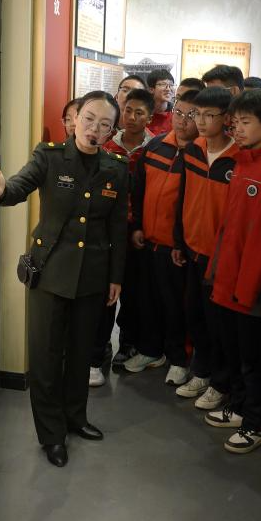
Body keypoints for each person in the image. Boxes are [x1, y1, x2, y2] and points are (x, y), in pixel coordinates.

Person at [0, 91, 128, 468]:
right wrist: (2, 191)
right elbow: (20, 186)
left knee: (80, 354)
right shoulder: (49, 156)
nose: (94, 129)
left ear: (112, 131)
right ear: (75, 119)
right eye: (89, 119)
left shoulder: (116, 167)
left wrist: (116, 276)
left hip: (92, 276)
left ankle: (76, 418)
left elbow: (117, 226)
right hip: (49, 273)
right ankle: (51, 434)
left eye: (104, 124)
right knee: (46, 357)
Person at [206, 89, 261, 454]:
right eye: (235, 122)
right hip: (229, 276)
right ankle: (241, 406)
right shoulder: (243, 159)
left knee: (255, 360)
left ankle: (256, 422)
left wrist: (246, 286)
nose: (237, 129)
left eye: (245, 122)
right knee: (235, 353)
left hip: (253, 287)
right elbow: (231, 225)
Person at [126, 90, 200, 384]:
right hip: (148, 240)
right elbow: (139, 190)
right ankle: (150, 350)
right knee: (147, 301)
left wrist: (181, 243)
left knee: (175, 306)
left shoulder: (200, 154)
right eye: (178, 113)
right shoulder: (156, 146)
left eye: (191, 115)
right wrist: (137, 226)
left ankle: (179, 359)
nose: (182, 121)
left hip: (177, 248)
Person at [172, 86, 237, 407]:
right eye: (197, 114)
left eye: (209, 115)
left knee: (219, 324)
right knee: (194, 314)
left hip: (220, 257)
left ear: (227, 118)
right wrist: (178, 240)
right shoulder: (193, 150)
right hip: (192, 249)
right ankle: (201, 371)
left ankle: (220, 383)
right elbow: (182, 196)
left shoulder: (238, 158)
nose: (200, 121)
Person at [102, 88, 156, 371]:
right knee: (107, 290)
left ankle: (128, 343)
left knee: (134, 292)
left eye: (139, 113)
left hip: (139, 231)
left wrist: (140, 225)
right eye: (128, 111)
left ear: (150, 117)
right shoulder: (107, 146)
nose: (132, 117)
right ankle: (102, 344)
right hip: (110, 230)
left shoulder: (155, 148)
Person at [146, 69, 175, 136]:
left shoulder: (175, 118)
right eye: (163, 84)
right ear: (151, 89)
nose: (168, 89)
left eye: (171, 85)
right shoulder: (143, 115)